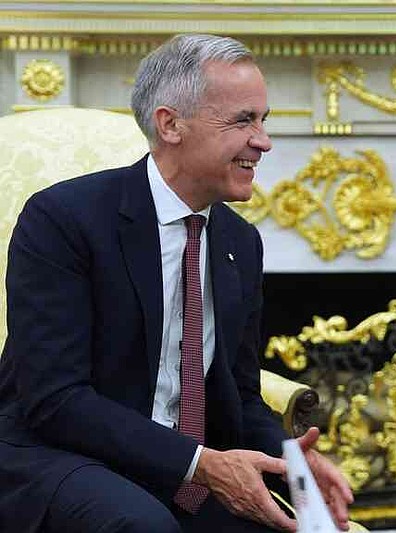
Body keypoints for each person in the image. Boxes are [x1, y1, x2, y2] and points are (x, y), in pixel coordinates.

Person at [0, 34, 352, 533]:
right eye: (243, 120)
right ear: (170, 125)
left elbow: (240, 396)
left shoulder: (239, 241)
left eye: (264, 119)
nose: (264, 140)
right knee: (143, 525)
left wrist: (290, 464)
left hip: (172, 465)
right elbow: (54, 400)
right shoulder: (64, 220)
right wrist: (202, 463)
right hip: (56, 455)